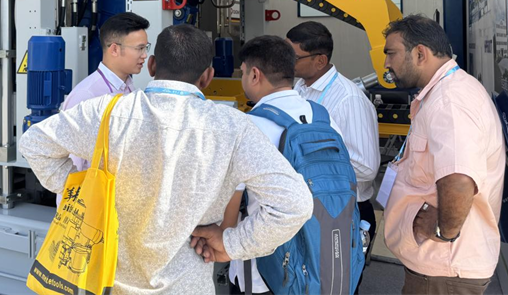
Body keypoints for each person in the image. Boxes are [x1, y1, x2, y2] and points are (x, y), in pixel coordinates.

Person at [19, 25, 313, 295]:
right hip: (188, 286)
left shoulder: (106, 113)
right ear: (208, 76)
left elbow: (34, 143)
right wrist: (231, 244)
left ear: (152, 65)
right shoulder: (232, 128)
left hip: (108, 281)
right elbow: (294, 204)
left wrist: (86, 195)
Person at [382, 15, 505, 295]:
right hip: (440, 269)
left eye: (391, 53)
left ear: (420, 53)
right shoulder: (446, 92)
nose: (387, 64)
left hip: (443, 270)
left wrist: (443, 231)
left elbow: (459, 179)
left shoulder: (450, 101)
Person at [222, 35, 336, 295]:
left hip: (264, 273)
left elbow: (229, 211)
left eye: (243, 72)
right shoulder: (322, 118)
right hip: (319, 260)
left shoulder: (248, 127)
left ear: (254, 74)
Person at [287, 22, 380, 259]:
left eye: (294, 57)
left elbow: (366, 168)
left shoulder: (348, 100)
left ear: (320, 60)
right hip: (312, 208)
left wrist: (307, 167)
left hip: (345, 212)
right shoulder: (300, 88)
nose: (285, 61)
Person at [56, 11, 149, 203]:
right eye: (139, 48)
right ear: (114, 49)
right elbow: (73, 165)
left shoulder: (129, 87)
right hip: (91, 206)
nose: (144, 55)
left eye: (145, 47)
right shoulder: (86, 95)